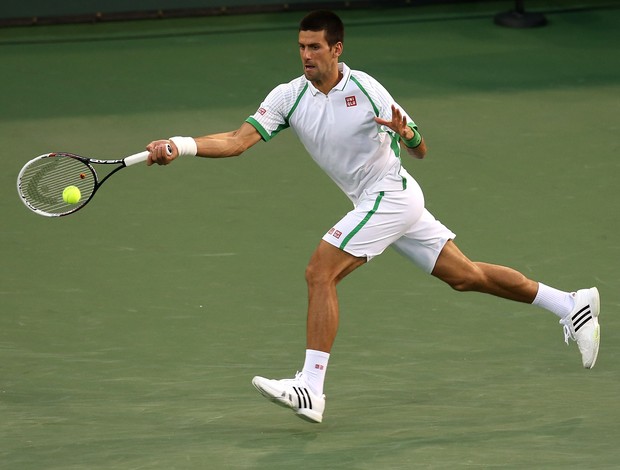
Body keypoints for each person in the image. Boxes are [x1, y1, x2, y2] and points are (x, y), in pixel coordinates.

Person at [146, 10, 601, 424]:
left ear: (336, 49)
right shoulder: (288, 96)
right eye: (301, 46)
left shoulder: (365, 89)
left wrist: (409, 132)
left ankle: (311, 387)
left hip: (391, 195)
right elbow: (236, 139)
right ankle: (569, 303)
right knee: (465, 276)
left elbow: (420, 149)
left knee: (319, 271)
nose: (306, 55)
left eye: (315, 47)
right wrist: (179, 145)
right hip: (380, 201)